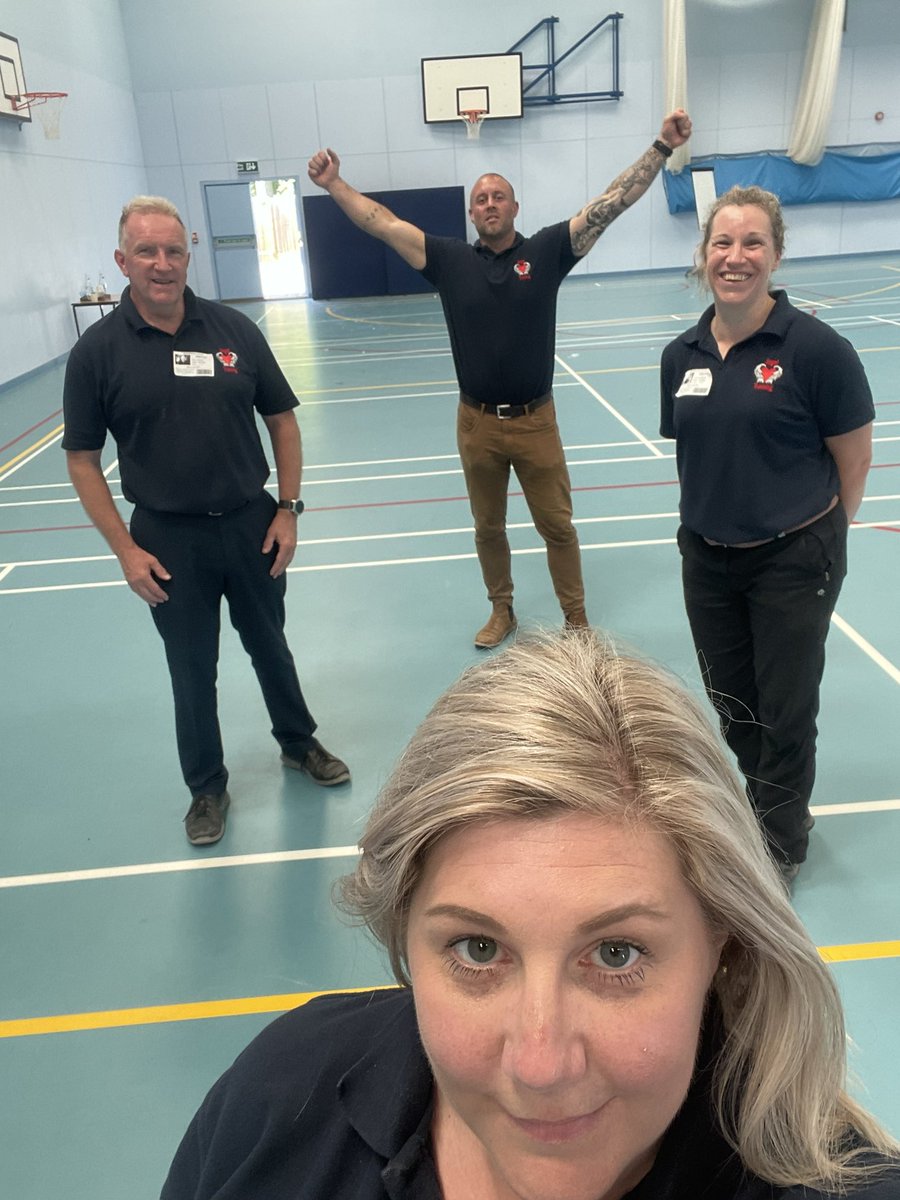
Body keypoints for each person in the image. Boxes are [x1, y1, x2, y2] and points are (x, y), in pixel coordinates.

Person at [161, 633, 898, 1200]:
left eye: (617, 955)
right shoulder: (276, 1097)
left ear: (723, 947)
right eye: (478, 949)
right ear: (405, 940)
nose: (541, 1066)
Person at [308, 112, 692, 649]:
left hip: (537, 422)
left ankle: (576, 621)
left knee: (558, 527)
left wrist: (661, 146)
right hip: (477, 424)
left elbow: (613, 202)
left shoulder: (547, 251)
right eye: (481, 199)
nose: (490, 204)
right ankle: (501, 609)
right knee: (488, 528)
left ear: (515, 208)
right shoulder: (445, 259)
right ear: (471, 212)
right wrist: (333, 185)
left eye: (499, 197)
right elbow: (379, 220)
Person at [63, 196, 350, 847]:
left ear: (187, 256)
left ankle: (298, 744)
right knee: (191, 670)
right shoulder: (97, 354)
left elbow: (282, 419)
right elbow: (82, 460)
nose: (162, 265)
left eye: (173, 252)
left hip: (252, 524)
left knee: (271, 646)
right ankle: (206, 789)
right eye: (146, 252)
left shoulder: (234, 332)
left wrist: (288, 508)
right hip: (166, 539)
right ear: (121, 261)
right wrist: (124, 550)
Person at [660, 185, 874, 885]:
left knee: (786, 710)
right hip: (707, 559)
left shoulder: (816, 350)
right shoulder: (681, 355)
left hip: (794, 558)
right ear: (704, 256)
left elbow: (854, 456)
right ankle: (773, 805)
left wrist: (820, 543)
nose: (736, 256)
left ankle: (780, 846)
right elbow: (697, 449)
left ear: (776, 254)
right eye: (723, 242)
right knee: (733, 704)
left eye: (753, 243)